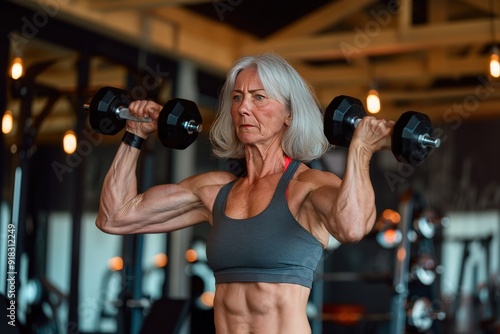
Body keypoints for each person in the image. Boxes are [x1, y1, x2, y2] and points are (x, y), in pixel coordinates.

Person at [96, 52, 394, 333]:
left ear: (289, 114)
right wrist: (134, 134)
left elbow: (353, 228)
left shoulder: (308, 186)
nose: (243, 108)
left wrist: (361, 150)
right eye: (237, 97)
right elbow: (114, 217)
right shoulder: (215, 191)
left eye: (259, 97)